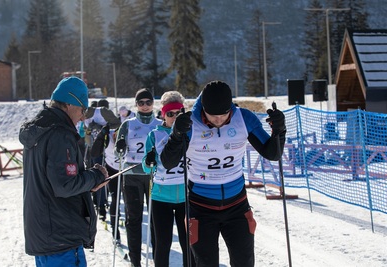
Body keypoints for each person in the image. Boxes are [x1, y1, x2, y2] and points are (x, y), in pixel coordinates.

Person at [160, 80, 286, 267]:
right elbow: (168, 162)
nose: (219, 120)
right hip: (201, 207)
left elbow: (272, 153)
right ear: (204, 110)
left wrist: (279, 130)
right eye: (213, 116)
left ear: (231, 108)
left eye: (224, 114)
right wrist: (177, 135)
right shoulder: (190, 123)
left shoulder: (243, 118)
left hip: (237, 206)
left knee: (244, 263)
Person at [19, 76, 109, 267]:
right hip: (61, 236)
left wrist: (88, 185)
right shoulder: (60, 134)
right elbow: (64, 185)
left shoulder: (40, 129)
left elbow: (52, 182)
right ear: (69, 104)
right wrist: (95, 176)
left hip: (45, 235)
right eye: (83, 109)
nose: (83, 116)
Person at [142, 91, 194, 267]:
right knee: (163, 244)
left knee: (188, 244)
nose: (174, 117)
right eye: (170, 114)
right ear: (163, 114)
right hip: (161, 197)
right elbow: (145, 166)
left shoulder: (190, 132)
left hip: (185, 197)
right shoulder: (154, 135)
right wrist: (148, 161)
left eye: (178, 113)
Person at [115, 88, 162, 267]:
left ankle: (158, 259)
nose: (144, 106)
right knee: (133, 219)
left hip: (153, 176)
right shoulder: (127, 124)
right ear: (136, 105)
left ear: (153, 104)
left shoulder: (159, 123)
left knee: (155, 219)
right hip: (132, 175)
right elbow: (117, 151)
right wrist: (119, 146)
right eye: (141, 102)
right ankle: (135, 261)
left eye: (148, 102)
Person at [85, 99, 121, 222]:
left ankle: (106, 205)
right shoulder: (84, 115)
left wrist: (102, 128)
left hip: (105, 150)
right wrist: (89, 130)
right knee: (97, 177)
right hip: (93, 150)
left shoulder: (103, 112)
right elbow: (84, 133)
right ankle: (100, 206)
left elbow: (118, 124)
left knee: (104, 177)